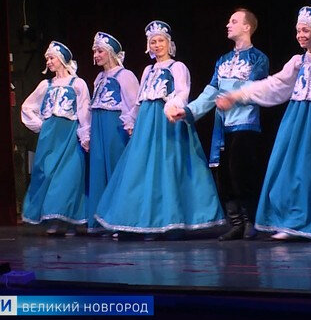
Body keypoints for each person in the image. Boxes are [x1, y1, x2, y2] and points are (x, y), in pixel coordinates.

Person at [217, 6, 311, 240]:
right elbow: (275, 85)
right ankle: (292, 222)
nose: (300, 35)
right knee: (294, 172)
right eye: (298, 30)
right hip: (299, 120)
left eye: (305, 30)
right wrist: (238, 95)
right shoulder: (297, 61)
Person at [94, 21, 225, 237]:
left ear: (169, 43)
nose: (157, 45)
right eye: (153, 42)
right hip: (147, 122)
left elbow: (182, 92)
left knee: (168, 167)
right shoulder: (148, 70)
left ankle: (171, 221)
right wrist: (132, 121)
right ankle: (143, 221)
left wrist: (173, 107)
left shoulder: (177, 67)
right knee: (142, 170)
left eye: (160, 41)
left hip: (167, 120)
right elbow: (140, 99)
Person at [167, 8, 269, 241]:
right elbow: (210, 92)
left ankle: (250, 221)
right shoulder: (222, 61)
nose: (228, 25)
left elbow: (255, 88)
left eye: (234, 21)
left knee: (242, 172)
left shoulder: (259, 58)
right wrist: (188, 111)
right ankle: (236, 222)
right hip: (222, 125)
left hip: (245, 123)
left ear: (247, 27)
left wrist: (231, 98)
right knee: (224, 175)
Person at [21, 41, 91, 235]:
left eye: (51, 58)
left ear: (62, 59)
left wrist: (85, 135)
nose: (49, 62)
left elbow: (84, 110)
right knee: (48, 173)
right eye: (47, 59)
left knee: (69, 176)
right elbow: (27, 107)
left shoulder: (77, 83)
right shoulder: (46, 85)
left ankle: (69, 220)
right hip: (50, 137)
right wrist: (40, 125)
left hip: (70, 135)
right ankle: (53, 219)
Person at [87, 32, 139, 235]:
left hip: (115, 125)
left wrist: (131, 125)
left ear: (111, 53)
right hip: (98, 124)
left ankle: (119, 219)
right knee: (99, 168)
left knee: (116, 168)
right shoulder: (99, 77)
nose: (96, 55)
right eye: (95, 51)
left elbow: (133, 102)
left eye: (100, 51)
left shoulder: (125, 75)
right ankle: (101, 219)